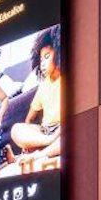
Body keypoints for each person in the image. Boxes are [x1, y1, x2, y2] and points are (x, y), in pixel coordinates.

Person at [10, 27, 62, 165]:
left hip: (63, 128)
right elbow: (29, 118)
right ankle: (48, 144)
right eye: (40, 59)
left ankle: (39, 154)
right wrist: (29, 139)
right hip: (45, 133)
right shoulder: (43, 85)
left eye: (47, 57)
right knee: (16, 130)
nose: (42, 63)